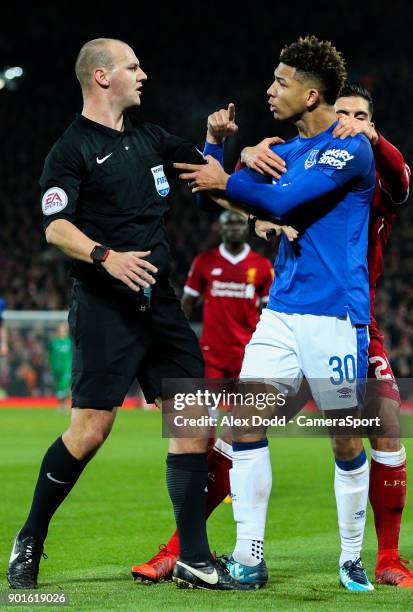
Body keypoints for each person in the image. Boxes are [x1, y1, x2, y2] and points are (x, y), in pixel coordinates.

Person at [7, 38, 251, 591]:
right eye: (132, 66)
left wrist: (214, 142)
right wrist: (106, 256)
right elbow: (55, 226)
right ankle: (31, 536)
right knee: (91, 430)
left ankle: (193, 556)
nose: (143, 74)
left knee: (191, 420)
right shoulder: (70, 150)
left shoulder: (150, 138)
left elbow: (206, 176)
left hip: (159, 304)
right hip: (104, 305)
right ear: (100, 77)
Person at [175, 35, 376, 591]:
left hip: (335, 314)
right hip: (282, 311)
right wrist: (216, 144)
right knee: (242, 420)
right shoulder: (283, 152)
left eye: (280, 82)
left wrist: (235, 176)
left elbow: (283, 202)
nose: (269, 90)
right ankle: (249, 556)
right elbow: (207, 197)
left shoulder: (350, 146)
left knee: (344, 436)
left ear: (312, 95)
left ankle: (352, 556)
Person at [239, 82, 412, 587]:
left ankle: (381, 557)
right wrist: (250, 159)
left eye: (362, 115)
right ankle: (200, 548)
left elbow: (401, 180)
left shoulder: (375, 172)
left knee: (376, 425)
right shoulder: (319, 159)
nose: (351, 121)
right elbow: (273, 197)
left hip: (353, 316)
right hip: (294, 310)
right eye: (345, 114)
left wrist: (373, 138)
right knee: (246, 421)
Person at [131, 210, 275, 581]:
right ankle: (190, 545)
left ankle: (184, 547)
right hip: (209, 360)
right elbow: (187, 306)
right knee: (202, 439)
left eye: (236, 222)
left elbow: (268, 312)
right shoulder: (205, 263)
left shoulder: (261, 266)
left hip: (246, 357)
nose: (230, 227)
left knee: (234, 437)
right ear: (218, 226)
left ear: (246, 226)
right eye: (224, 221)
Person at [48, 322, 72, 410]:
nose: (62, 332)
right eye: (60, 330)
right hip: (56, 368)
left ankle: (65, 404)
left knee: (64, 385)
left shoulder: (69, 342)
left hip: (66, 368)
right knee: (58, 386)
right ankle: (60, 405)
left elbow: (72, 355)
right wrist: (50, 364)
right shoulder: (54, 342)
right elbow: (50, 355)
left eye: (63, 330)